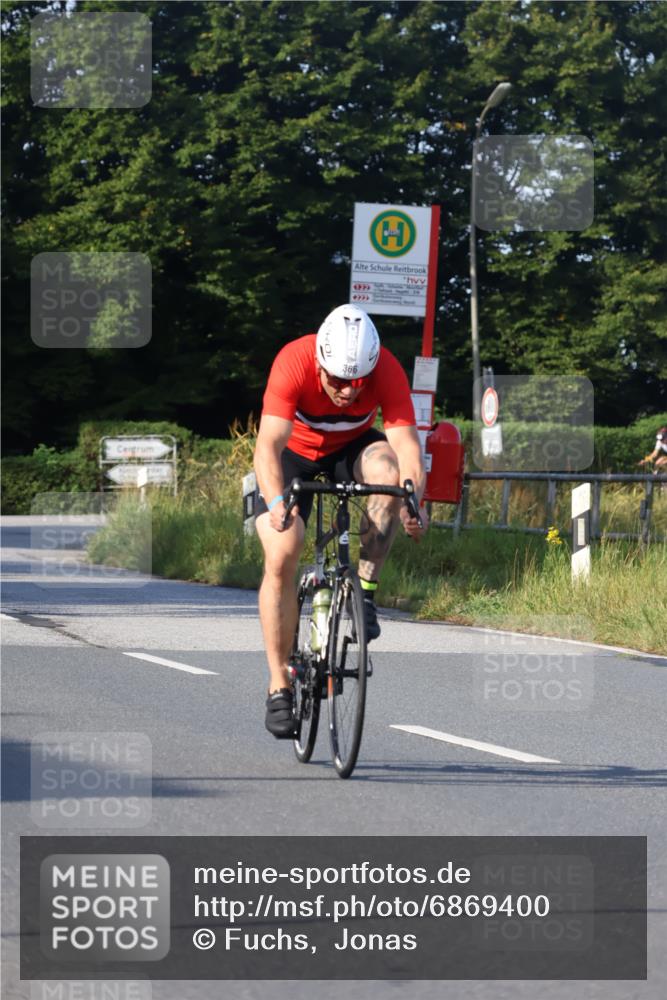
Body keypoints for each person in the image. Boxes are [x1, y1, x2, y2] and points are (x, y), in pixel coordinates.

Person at [253, 304, 428, 738]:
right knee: (282, 552)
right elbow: (268, 447)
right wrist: (276, 502)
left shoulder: (385, 367)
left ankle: (364, 593)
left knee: (388, 478)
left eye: (358, 382)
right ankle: (279, 684)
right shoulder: (293, 361)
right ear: (319, 362)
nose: (349, 392)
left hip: (350, 449)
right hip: (294, 455)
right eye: (337, 381)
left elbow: (407, 446)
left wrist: (412, 500)